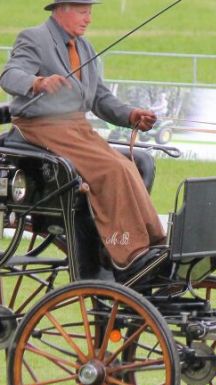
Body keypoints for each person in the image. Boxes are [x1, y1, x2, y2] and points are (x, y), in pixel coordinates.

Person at [0, 0, 166, 282]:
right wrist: (37, 83)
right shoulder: (35, 38)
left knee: (135, 164)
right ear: (61, 9)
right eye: (82, 11)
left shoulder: (85, 48)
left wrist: (131, 115)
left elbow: (100, 98)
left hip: (76, 129)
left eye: (90, 11)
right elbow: (9, 75)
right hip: (42, 129)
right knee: (115, 170)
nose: (88, 18)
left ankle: (151, 243)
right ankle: (128, 254)